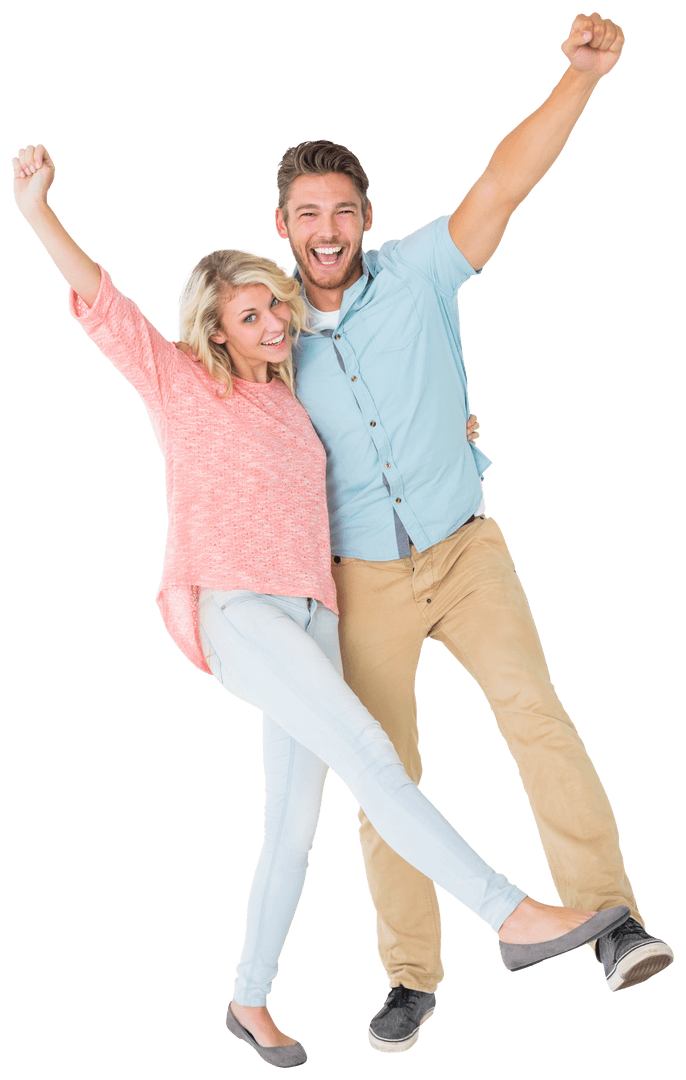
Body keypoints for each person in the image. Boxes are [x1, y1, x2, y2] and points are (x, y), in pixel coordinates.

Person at [10, 143, 631, 1070]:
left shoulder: (294, 399)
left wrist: (455, 434)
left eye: (273, 306)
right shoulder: (183, 388)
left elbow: (389, 412)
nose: (270, 321)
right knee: (376, 757)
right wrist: (35, 210)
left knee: (291, 832)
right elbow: (105, 303)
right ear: (215, 330)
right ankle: (513, 913)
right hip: (238, 614)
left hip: (316, 614)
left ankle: (249, 1001)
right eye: (248, 312)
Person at [265, 9, 675, 1055]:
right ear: (282, 223)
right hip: (359, 581)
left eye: (343, 210)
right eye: (307, 212)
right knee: (381, 777)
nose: (327, 228)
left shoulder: (415, 274)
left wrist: (578, 79)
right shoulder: (264, 334)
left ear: (365, 218)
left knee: (535, 716)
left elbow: (502, 180)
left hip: (465, 548)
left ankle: (608, 920)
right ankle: (411, 975)